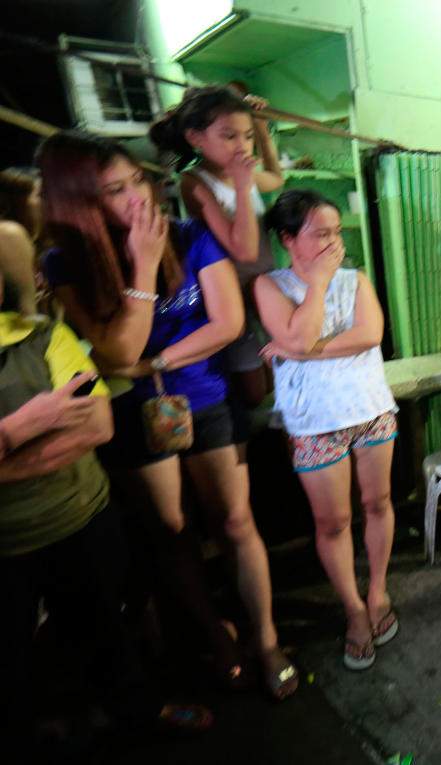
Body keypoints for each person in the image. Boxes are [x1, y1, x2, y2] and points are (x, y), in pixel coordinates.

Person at [37, 131, 297, 700]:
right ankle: (215, 635)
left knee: (235, 521)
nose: (137, 197)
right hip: (132, 415)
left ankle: (265, 638)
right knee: (172, 532)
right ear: (79, 202)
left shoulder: (193, 235)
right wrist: (142, 268)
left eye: (138, 181)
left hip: (204, 400)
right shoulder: (66, 263)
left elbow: (227, 323)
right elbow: (114, 355)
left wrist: (157, 359)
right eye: (115, 190)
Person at [0, 267, 212, 761]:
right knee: (7, 665)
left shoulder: (41, 334)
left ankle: (138, 713)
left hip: (81, 519)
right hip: (5, 546)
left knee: (107, 627)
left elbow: (95, 427)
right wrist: (19, 429)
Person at [255, 190, 399, 671]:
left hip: (370, 407)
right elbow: (296, 333)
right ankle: (354, 610)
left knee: (377, 504)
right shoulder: (269, 287)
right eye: (321, 233)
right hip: (314, 422)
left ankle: (377, 590)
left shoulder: (356, 279)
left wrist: (299, 349)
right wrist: (315, 286)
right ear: (288, 239)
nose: (333, 242)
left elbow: (371, 335)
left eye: (337, 232)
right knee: (333, 523)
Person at [150, 85, 284, 407]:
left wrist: (263, 132)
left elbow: (276, 180)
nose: (242, 146)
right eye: (229, 136)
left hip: (264, 286)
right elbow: (244, 251)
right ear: (196, 137)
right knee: (254, 391)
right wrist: (241, 184)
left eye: (247, 136)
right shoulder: (194, 182)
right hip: (231, 296)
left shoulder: (243, 172)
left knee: (280, 373)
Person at [0, 167, 42, 315]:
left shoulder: (42, 241)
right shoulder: (8, 234)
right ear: (17, 201)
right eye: (41, 195)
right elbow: (27, 312)